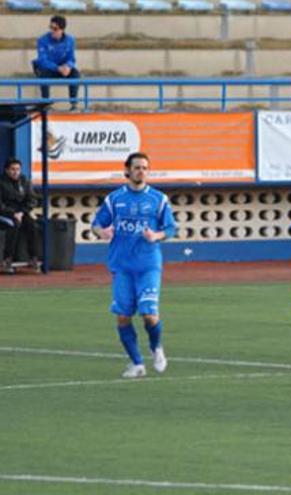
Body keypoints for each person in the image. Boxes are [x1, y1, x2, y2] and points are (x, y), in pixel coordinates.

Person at [91, 152, 176, 378]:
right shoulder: (115, 199)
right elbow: (96, 224)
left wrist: (156, 235)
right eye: (137, 167)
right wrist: (103, 232)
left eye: (145, 168)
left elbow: (170, 229)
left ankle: (156, 347)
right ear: (127, 170)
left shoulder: (158, 199)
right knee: (123, 316)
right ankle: (137, 363)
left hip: (148, 264)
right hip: (122, 266)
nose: (141, 171)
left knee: (149, 314)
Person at [32, 15, 80, 110]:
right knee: (43, 75)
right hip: (48, 68)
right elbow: (42, 60)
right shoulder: (42, 40)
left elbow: (72, 58)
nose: (52, 31)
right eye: (51, 28)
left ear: (62, 29)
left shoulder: (70, 40)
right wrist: (57, 68)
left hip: (62, 68)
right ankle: (45, 103)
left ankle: (73, 104)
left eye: (55, 29)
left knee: (75, 74)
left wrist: (68, 66)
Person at [0, 158, 40, 272]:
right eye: (12, 169)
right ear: (7, 170)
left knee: (33, 225)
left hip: (22, 212)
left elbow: (32, 200)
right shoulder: (1, 182)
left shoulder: (24, 181)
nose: (15, 172)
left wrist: (22, 212)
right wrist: (13, 213)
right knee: (14, 225)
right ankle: (7, 259)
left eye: (18, 169)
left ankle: (34, 258)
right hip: (5, 214)